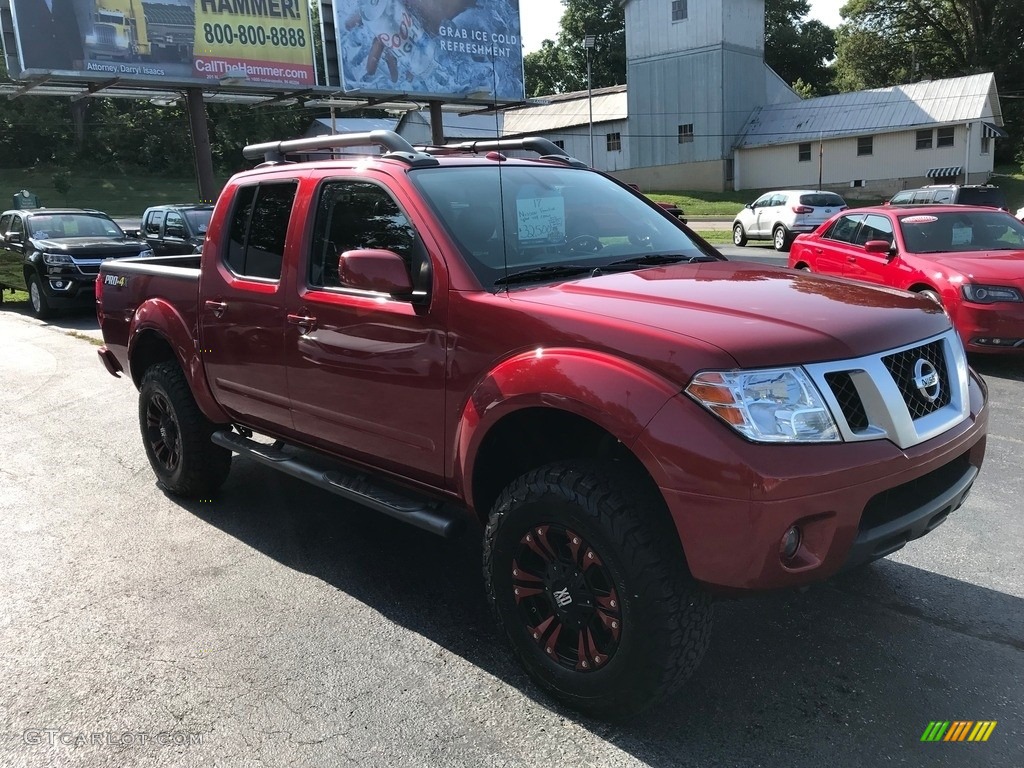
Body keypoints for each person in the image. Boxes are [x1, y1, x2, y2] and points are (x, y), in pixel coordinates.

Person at [12, 0, 84, 72]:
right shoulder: (22, 2)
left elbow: (72, 27)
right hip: (35, 59)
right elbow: (21, 27)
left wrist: (77, 56)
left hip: (63, 58)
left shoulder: (64, 2)